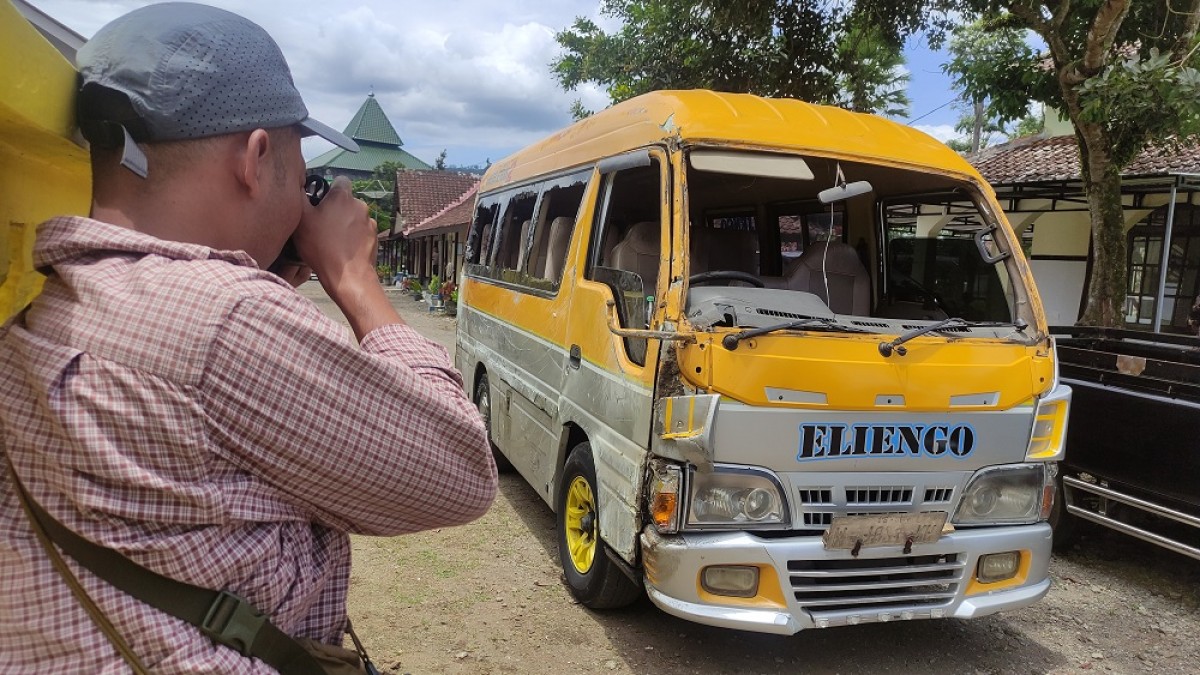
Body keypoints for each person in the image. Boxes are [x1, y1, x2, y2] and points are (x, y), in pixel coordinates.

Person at [0, 3, 496, 673]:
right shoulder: (228, 320)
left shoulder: (49, 300)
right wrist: (354, 279)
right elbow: (459, 472)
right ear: (257, 158)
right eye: (299, 172)